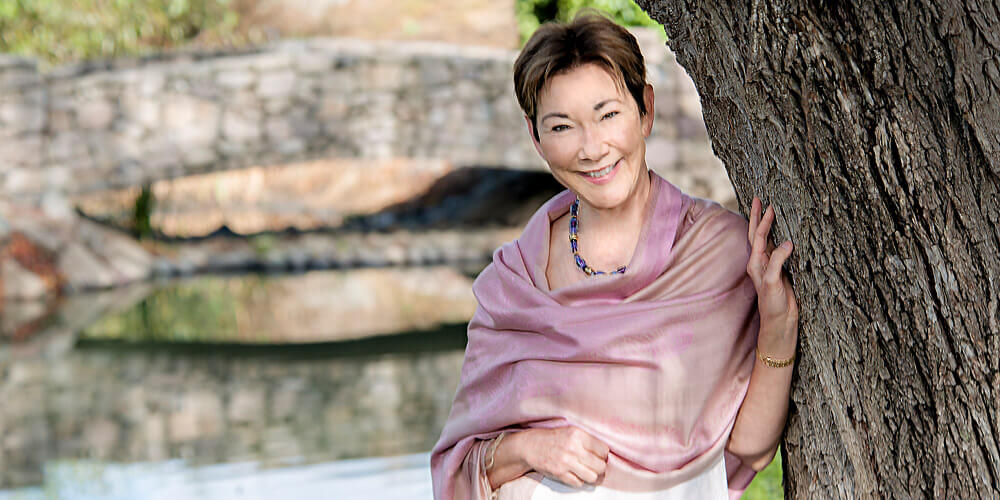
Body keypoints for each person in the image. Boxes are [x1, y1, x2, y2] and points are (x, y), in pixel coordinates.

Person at [431, 9, 799, 499]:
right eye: (562, 127)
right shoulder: (511, 286)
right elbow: (460, 468)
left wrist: (778, 326)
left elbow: (749, 450)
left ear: (645, 109)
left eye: (608, 115)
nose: (592, 148)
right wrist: (528, 449)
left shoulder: (718, 253)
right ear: (534, 136)